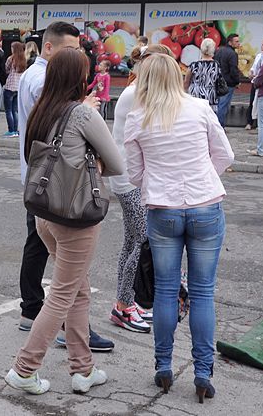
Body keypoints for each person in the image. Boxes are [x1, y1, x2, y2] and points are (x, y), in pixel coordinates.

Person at [5, 48, 123, 396]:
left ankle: (82, 368)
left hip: (46, 214)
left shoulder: (42, 110)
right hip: (76, 218)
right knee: (61, 295)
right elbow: (116, 163)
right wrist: (93, 164)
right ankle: (24, 368)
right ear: (80, 78)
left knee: (77, 291)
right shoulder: (83, 116)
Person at [124, 53, 234, 403]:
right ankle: (203, 372)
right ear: (177, 76)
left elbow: (135, 173)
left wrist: (158, 183)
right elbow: (225, 156)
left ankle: (164, 366)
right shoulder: (200, 108)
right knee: (202, 292)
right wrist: (203, 179)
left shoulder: (137, 117)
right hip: (204, 204)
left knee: (166, 291)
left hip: (163, 209)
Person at [16, 21, 114, 351]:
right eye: (71, 50)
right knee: (64, 287)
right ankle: (28, 360)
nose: (75, 56)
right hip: (65, 192)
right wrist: (84, 114)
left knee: (63, 272)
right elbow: (115, 162)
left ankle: (80, 357)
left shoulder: (38, 89)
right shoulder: (55, 93)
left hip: (40, 183)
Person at [108, 45, 174, 335]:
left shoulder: (138, 91)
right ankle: (124, 304)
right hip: (130, 179)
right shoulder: (136, 94)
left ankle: (124, 303)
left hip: (128, 177)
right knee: (141, 242)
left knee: (132, 240)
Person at [184, 38, 221, 113]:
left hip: (195, 96)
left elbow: (186, 82)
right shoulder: (216, 65)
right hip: (210, 95)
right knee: (209, 119)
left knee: (195, 117)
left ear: (201, 48)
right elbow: (218, 80)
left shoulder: (194, 65)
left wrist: (184, 94)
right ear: (213, 50)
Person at [214, 33, 242, 126]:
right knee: (223, 106)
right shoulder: (233, 54)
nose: (239, 43)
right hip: (228, 84)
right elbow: (234, 70)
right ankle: (220, 126)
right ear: (230, 42)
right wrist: (237, 81)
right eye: (236, 41)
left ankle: (215, 125)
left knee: (217, 105)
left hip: (217, 82)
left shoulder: (218, 51)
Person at [246, 37, 263, 130]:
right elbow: (254, 67)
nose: (262, 45)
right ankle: (249, 122)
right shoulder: (259, 56)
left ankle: (260, 124)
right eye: (262, 44)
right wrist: (251, 72)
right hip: (255, 82)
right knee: (252, 102)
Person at [3, 42, 28, 137]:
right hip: (19, 87)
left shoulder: (11, 58)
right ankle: (16, 130)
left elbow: (6, 69)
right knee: (15, 110)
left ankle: (11, 130)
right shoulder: (24, 59)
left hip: (10, 86)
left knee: (8, 110)